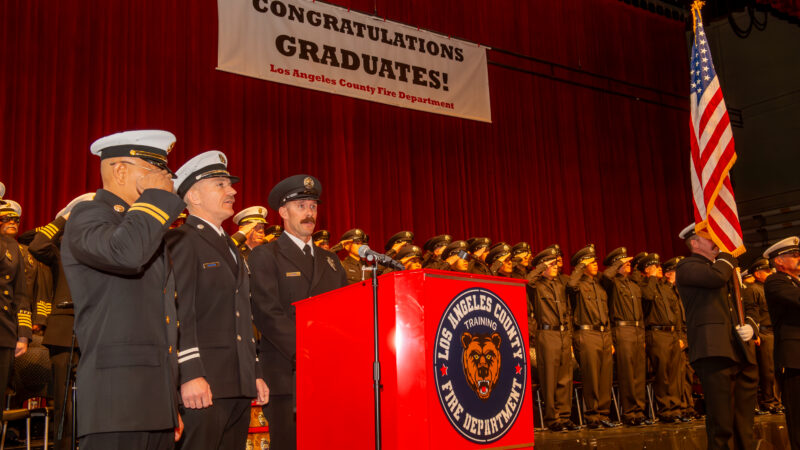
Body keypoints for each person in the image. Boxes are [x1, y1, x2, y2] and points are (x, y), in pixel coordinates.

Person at [60, 129, 186, 449]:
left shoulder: (145, 227)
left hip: (154, 403)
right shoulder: (88, 216)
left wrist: (167, 403)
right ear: (120, 170)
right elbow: (126, 255)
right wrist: (156, 198)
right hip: (115, 403)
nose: (167, 182)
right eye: (156, 173)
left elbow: (163, 321)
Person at [167, 151, 269, 449]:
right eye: (221, 184)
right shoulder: (181, 241)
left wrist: (255, 372)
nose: (233, 190)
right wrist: (191, 373)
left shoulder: (230, 246)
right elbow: (179, 312)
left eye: (230, 184)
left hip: (236, 381)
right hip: (204, 382)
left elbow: (242, 315)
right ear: (194, 196)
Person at [249, 175, 347, 450]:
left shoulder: (330, 261)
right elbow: (267, 313)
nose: (309, 213)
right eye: (301, 205)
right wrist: (306, 353)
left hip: (329, 375)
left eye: (313, 207)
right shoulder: (266, 256)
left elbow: (345, 312)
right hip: (287, 375)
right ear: (282, 212)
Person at [675, 223, 757, 450]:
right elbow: (715, 278)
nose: (717, 241)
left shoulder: (726, 268)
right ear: (694, 243)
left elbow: (747, 302)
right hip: (713, 349)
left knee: (743, 420)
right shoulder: (688, 266)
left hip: (738, 349)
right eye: (710, 236)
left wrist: (751, 325)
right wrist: (728, 254)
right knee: (722, 421)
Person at [28, 193, 94, 450]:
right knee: (64, 400)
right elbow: (35, 244)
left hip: (97, 331)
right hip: (65, 332)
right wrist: (63, 218)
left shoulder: (102, 247)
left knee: (96, 397)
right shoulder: (60, 249)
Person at [567, 244, 617, 429]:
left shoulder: (600, 285)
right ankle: (592, 415)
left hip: (604, 333)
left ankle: (604, 413)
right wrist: (580, 267)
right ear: (581, 264)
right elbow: (570, 285)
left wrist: (610, 338)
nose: (595, 264)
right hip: (586, 333)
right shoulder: (576, 284)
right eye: (591, 262)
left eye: (596, 261)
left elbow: (607, 313)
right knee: (592, 376)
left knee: (605, 376)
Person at [529, 247, 578, 431]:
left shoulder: (560, 284)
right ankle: (552, 418)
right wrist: (541, 267)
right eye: (551, 264)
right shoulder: (537, 285)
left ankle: (565, 416)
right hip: (547, 334)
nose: (556, 266)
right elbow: (526, 281)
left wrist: (570, 336)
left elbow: (568, 311)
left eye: (556, 263)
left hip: (563, 333)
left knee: (565, 377)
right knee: (549, 378)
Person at [599, 247, 648, 426]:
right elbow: (605, 276)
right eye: (624, 262)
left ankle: (639, 410)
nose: (628, 264)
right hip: (622, 330)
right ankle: (629, 413)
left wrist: (642, 335)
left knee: (639, 374)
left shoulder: (633, 284)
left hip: (637, 330)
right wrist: (618, 263)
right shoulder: (613, 283)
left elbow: (641, 313)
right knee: (627, 373)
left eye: (628, 262)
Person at [763, 236, 800, 449]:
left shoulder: (795, 282)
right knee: (797, 414)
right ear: (778, 261)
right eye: (793, 255)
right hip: (793, 356)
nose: (798, 258)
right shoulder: (776, 281)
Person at [639, 253, 682, 423]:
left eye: (658, 267)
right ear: (647, 270)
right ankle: (665, 410)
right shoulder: (643, 285)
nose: (658, 269)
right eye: (654, 267)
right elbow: (648, 297)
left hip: (671, 333)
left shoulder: (666, 288)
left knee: (675, 373)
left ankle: (676, 408)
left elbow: (675, 312)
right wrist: (652, 278)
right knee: (662, 373)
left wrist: (678, 335)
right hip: (656, 333)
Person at [0, 198, 32, 416]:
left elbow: (21, 293)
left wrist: (23, 334)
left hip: (4, 328)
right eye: (6, 218)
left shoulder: (12, 246)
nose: (12, 222)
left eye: (15, 219)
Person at [742, 257, 782, 414]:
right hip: (764, 332)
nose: (770, 273)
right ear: (757, 274)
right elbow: (753, 313)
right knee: (768, 369)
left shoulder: (771, 288)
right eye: (766, 271)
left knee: (778, 368)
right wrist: (756, 333)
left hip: (775, 331)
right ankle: (769, 401)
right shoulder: (753, 289)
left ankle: (777, 400)